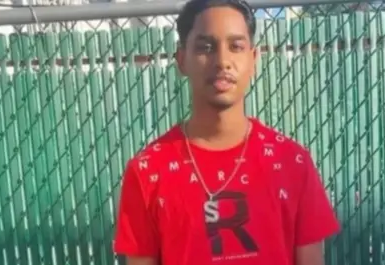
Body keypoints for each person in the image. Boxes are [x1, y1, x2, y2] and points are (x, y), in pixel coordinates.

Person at [112, 0, 340, 264]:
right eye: (206, 47)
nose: (222, 61)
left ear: (253, 59)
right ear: (182, 59)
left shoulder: (292, 163)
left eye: (236, 46)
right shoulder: (147, 173)